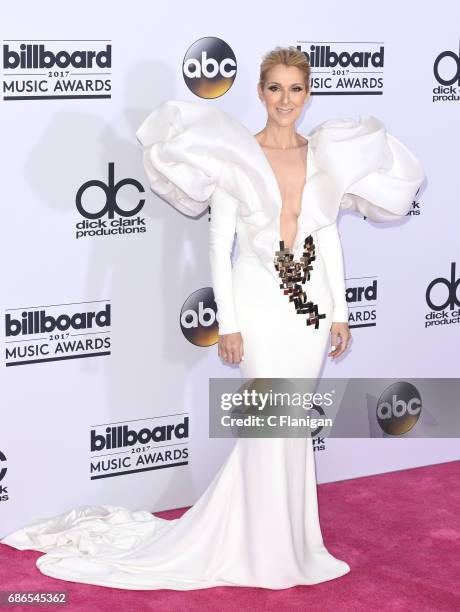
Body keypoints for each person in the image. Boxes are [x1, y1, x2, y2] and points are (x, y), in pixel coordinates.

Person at [0, 47, 425, 590]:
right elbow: (219, 242)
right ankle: (256, 544)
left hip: (310, 312)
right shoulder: (235, 156)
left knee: (288, 425)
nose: (285, 100)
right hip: (255, 304)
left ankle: (289, 542)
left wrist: (340, 313)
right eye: (275, 89)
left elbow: (328, 237)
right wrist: (228, 323)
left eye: (296, 89)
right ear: (260, 91)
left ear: (308, 93)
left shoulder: (322, 157)